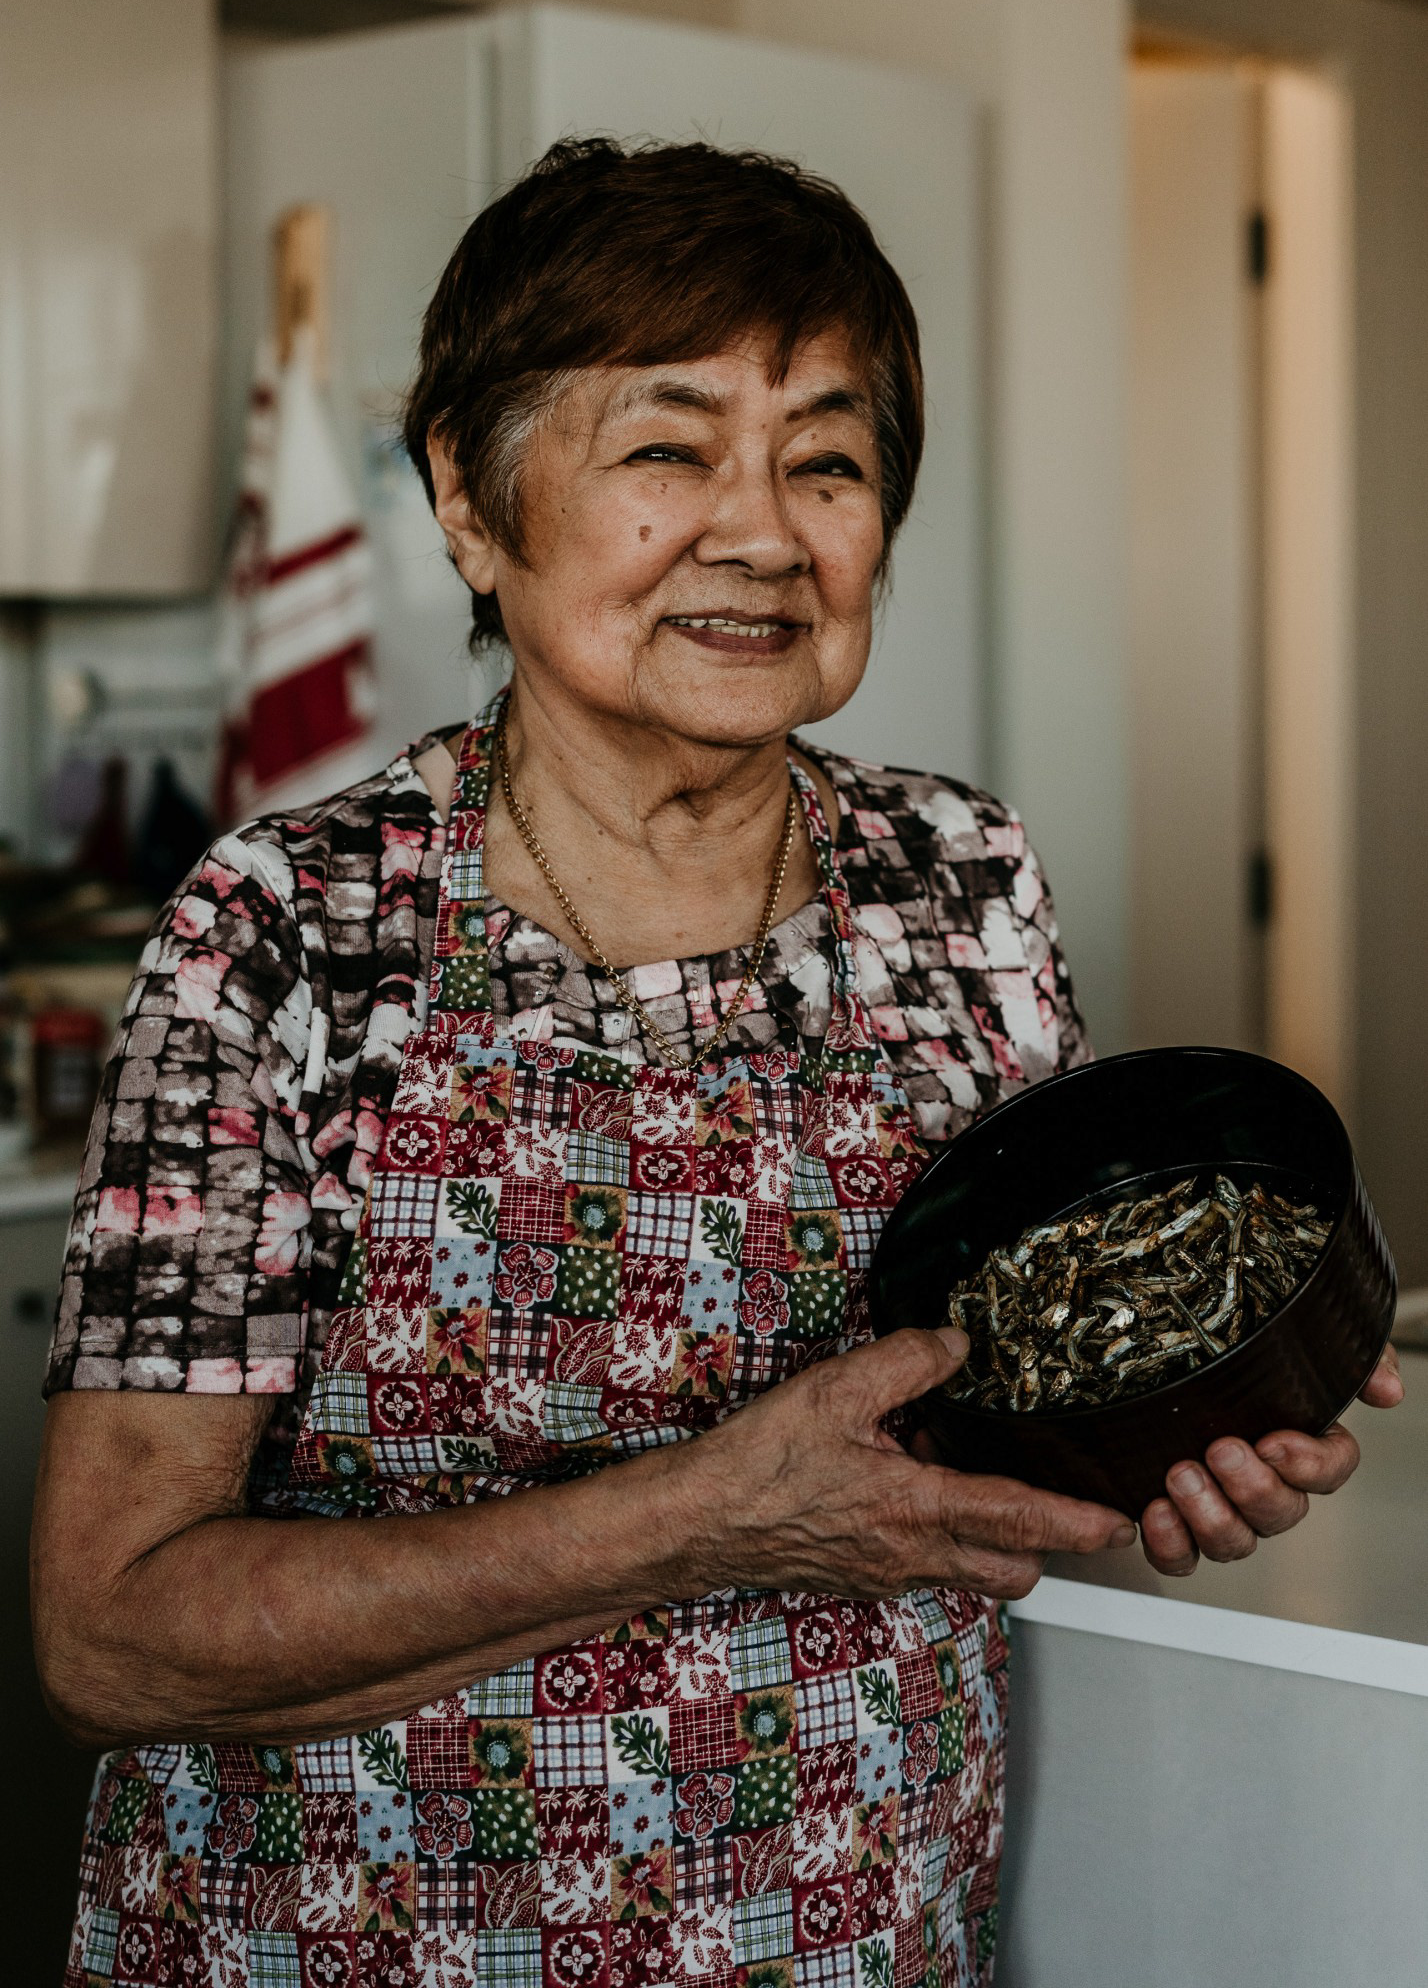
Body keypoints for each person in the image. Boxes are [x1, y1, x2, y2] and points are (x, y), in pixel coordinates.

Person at [33, 139, 1400, 1988]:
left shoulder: (959, 881)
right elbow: (113, 1633)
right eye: (669, 450)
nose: (765, 531)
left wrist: (1177, 1450)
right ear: (467, 496)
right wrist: (701, 1522)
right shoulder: (289, 929)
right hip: (355, 1941)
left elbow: (995, 1415)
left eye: (827, 461)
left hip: (862, 1924)